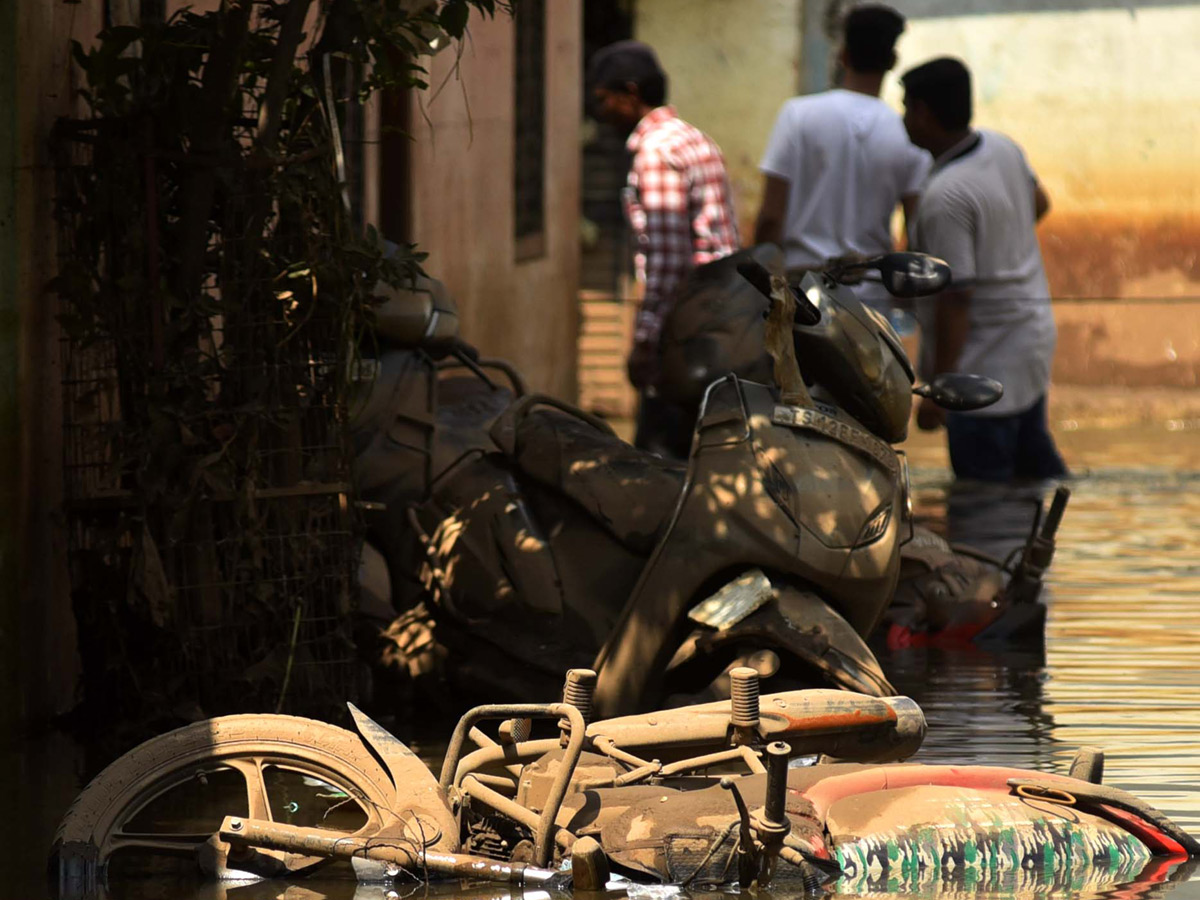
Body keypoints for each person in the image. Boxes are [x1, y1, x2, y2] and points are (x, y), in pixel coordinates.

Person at [900, 56, 1068, 482]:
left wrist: (941, 389)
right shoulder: (1002, 146)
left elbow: (956, 298)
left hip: (981, 367)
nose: (903, 118)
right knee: (1034, 474)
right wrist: (999, 244)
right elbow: (1040, 204)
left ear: (922, 112)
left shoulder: (945, 196)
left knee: (982, 500)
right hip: (1030, 339)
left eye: (906, 107)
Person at [588, 40, 740, 456]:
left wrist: (645, 342)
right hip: (721, 318)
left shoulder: (655, 153)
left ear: (631, 93)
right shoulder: (693, 138)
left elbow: (669, 262)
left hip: (684, 329)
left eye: (604, 100)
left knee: (661, 464)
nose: (599, 112)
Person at [754, 3, 929, 309]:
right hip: (872, 303)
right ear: (892, 60)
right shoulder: (908, 135)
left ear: (843, 55)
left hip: (803, 297)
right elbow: (917, 230)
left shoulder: (797, 115)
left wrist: (762, 290)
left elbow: (770, 218)